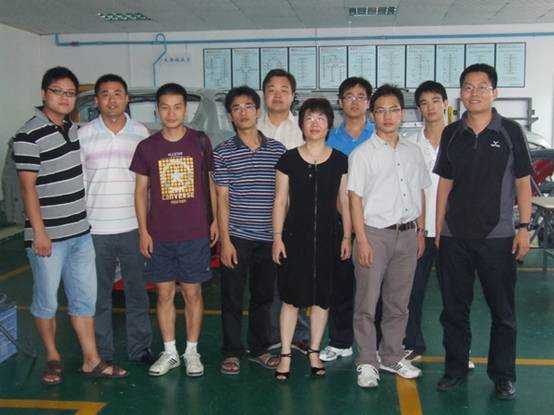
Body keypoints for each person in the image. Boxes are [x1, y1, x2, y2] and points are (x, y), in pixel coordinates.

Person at [12, 66, 127, 385]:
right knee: (47, 302)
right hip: (48, 237)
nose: (64, 98)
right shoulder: (28, 134)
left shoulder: (75, 131)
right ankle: (52, 357)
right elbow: (28, 189)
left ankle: (92, 360)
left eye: (70, 93)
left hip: (80, 234)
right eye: (57, 91)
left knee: (84, 300)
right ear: (43, 94)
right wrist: (39, 233)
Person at [434, 64, 533, 400]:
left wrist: (523, 228)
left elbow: (523, 182)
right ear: (460, 93)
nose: (474, 92)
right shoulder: (451, 133)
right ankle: (455, 369)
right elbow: (444, 184)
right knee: (453, 310)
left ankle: (503, 376)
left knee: (503, 312)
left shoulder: (510, 131)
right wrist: (438, 228)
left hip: (498, 237)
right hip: (454, 237)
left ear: (495, 92)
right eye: (467, 86)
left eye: (482, 86)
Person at [130, 83, 218, 378]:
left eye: (177, 107)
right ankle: (169, 352)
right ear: (157, 110)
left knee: (193, 293)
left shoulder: (200, 141)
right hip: (160, 236)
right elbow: (140, 192)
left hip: (195, 234)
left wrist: (215, 221)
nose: (171, 113)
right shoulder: (147, 147)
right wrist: (144, 231)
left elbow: (211, 184)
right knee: (164, 294)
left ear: (185, 109)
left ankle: (191, 352)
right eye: (165, 107)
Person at [348, 84, 430, 388]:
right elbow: (354, 199)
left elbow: (420, 191)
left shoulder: (413, 151)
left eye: (393, 109)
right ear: (372, 115)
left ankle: (392, 355)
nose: (387, 116)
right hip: (374, 235)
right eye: (381, 110)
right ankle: (367, 361)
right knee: (366, 304)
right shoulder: (362, 154)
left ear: (403, 113)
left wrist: (420, 231)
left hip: (407, 235)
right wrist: (362, 240)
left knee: (399, 303)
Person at [272, 98, 351, 380]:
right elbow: (280, 201)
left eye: (320, 118)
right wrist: (277, 237)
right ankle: (285, 353)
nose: (314, 123)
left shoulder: (340, 160)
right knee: (291, 300)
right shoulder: (288, 159)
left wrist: (347, 236)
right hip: (294, 239)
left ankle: (314, 351)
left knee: (322, 300)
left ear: (329, 124)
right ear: (301, 125)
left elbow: (344, 201)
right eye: (309, 118)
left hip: (329, 239)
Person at [79, 74, 153, 365]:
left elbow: (147, 185)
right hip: (95, 229)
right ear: (97, 100)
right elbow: (80, 183)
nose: (112, 99)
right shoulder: (84, 135)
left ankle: (140, 349)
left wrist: (148, 227)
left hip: (133, 227)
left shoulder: (141, 133)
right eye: (105, 94)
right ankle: (102, 352)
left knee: (137, 293)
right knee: (99, 296)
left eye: (117, 93)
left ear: (127, 99)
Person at [214, 86, 285, 375]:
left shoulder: (278, 150)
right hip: (237, 237)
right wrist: (225, 241)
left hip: (268, 238)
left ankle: (259, 349)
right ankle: (231, 352)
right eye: (236, 108)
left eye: (248, 106)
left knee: (263, 298)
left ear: (257, 111)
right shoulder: (223, 152)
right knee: (231, 298)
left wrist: (280, 236)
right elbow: (221, 198)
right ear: (230, 116)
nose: (243, 112)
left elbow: (282, 196)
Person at [320, 76, 374, 362]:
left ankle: (374, 343)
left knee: (373, 286)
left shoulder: (379, 134)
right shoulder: (329, 138)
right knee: (340, 284)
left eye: (360, 96)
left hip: (374, 221)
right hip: (339, 221)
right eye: (349, 96)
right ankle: (340, 341)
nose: (355, 101)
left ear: (369, 102)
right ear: (340, 103)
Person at [257, 69, 309, 353]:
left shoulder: (302, 130)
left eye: (284, 90)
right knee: (264, 279)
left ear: (293, 95)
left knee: (294, 276)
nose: (277, 95)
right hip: (256, 216)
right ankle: (267, 334)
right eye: (271, 89)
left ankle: (299, 333)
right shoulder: (252, 127)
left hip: (294, 216)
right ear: (264, 95)